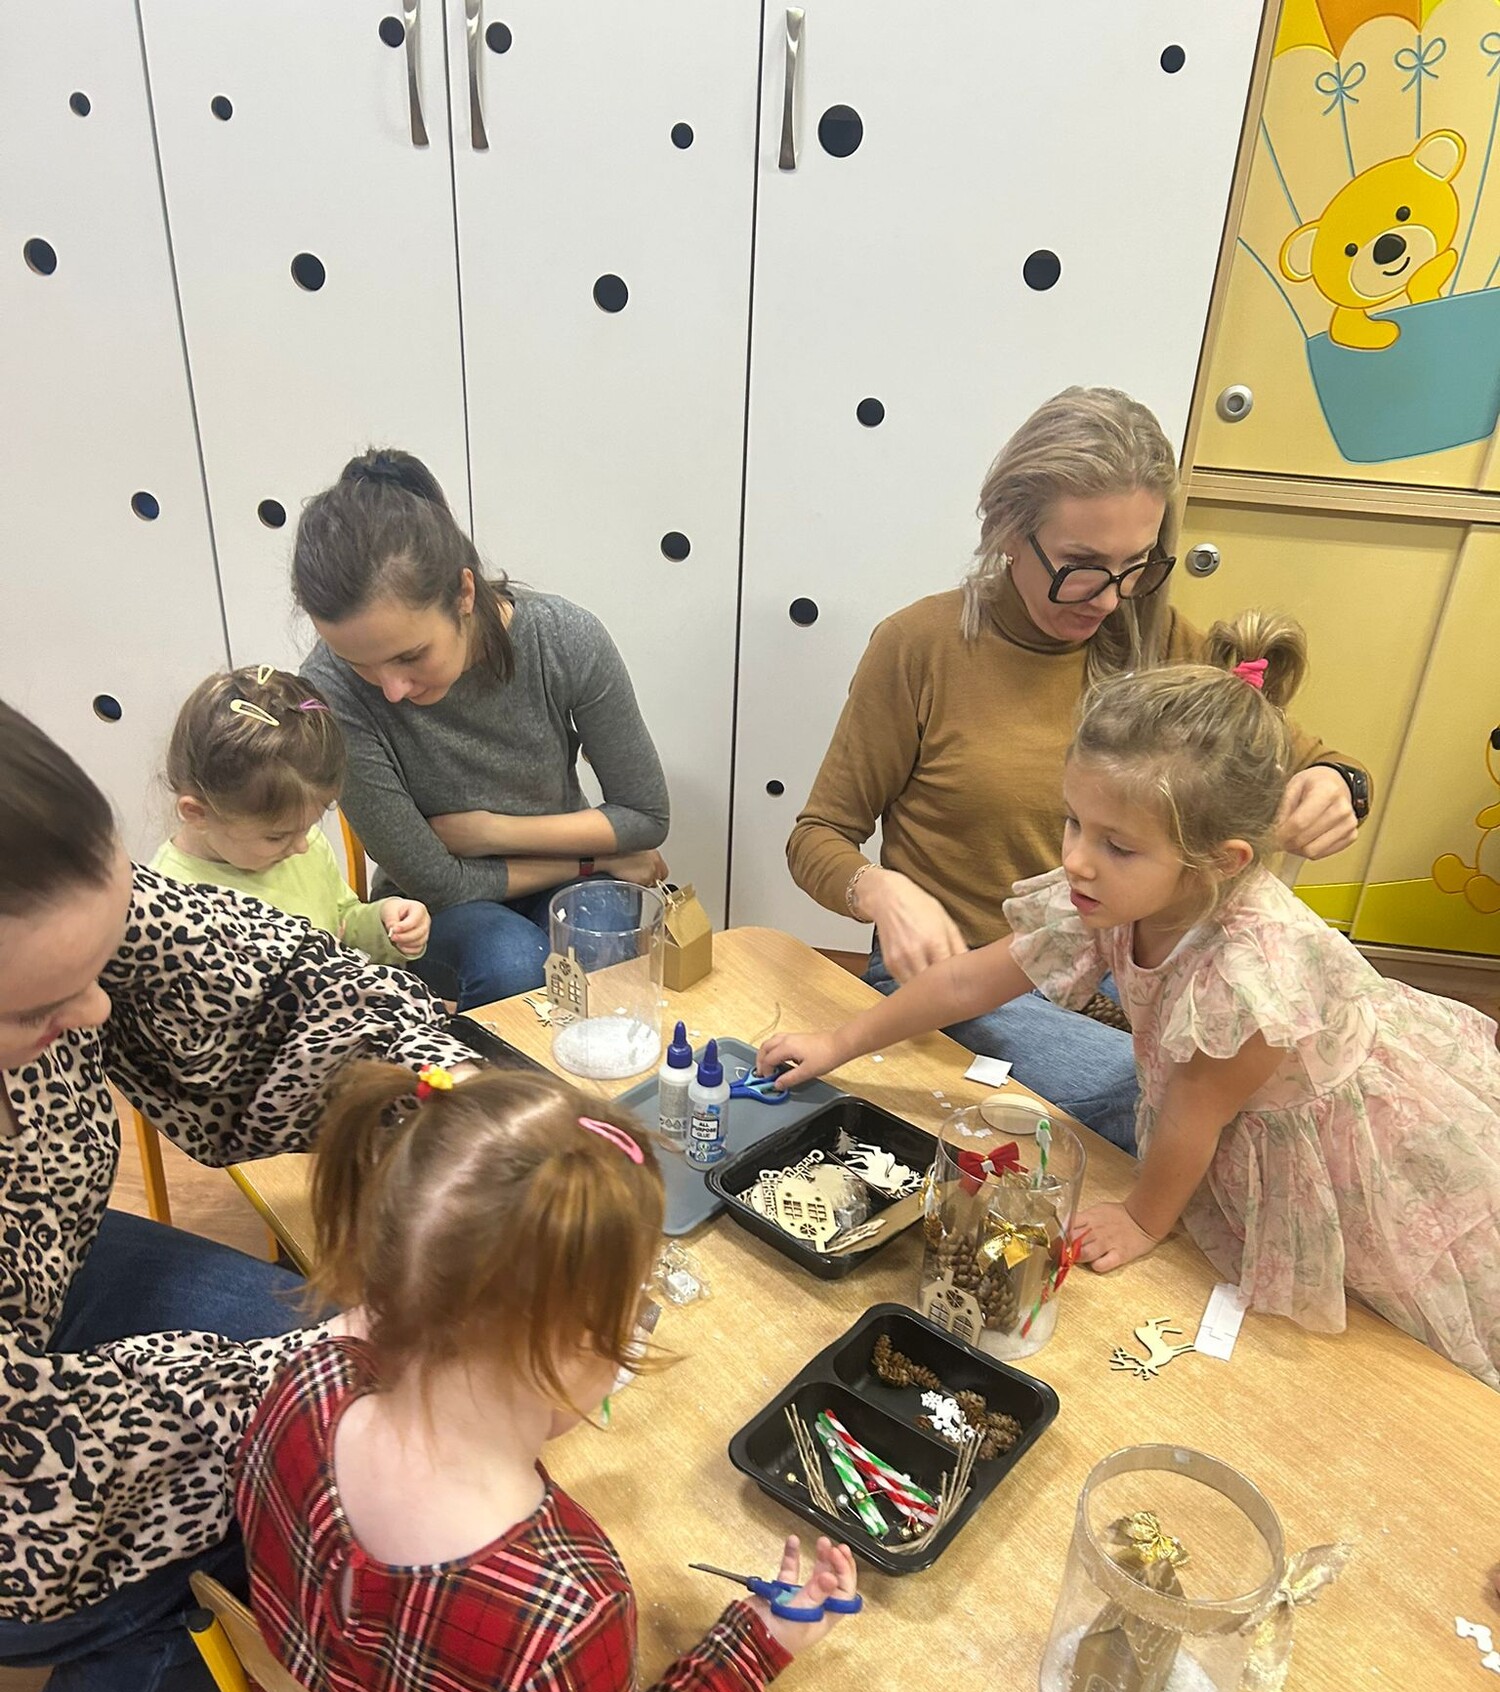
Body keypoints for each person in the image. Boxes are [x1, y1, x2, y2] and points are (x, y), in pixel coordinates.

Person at [0, 699, 476, 1692]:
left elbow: (260, 990)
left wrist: (440, 1094)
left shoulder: (50, 918)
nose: (94, 1015)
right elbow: (28, 1473)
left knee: (320, 1355)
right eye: (36, 1010)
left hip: (42, 1276)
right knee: (302, 1433)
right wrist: (300, 1385)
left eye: (97, 962)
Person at [761, 621, 1500, 1385]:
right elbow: (966, 981)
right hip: (1225, 1098)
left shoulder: (1250, 977)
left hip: (1347, 1131)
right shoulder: (1106, 891)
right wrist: (839, 1042)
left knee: (1407, 1300)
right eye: (1073, 822)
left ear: (1220, 861)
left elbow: (1191, 1115)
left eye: (1116, 844)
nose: (1076, 859)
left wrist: (1144, 1218)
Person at [236, 1065, 858, 1692]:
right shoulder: (566, 1609)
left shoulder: (303, 1380)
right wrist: (756, 1644)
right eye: (634, 1313)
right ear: (572, 1345)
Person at [787, 385, 1371, 1153]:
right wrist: (881, 890)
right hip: (969, 975)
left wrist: (1336, 784)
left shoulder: (1159, 638)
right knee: (1166, 1107)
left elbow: (1312, 756)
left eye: (1136, 567)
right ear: (1007, 530)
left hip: (1121, 968)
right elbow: (817, 836)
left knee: (1298, 1085)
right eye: (1081, 566)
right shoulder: (919, 647)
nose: (1109, 598)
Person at [295, 449, 671, 1008]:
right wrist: (599, 860)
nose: (391, 689)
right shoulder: (329, 689)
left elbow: (646, 815)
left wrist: (490, 832)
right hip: (431, 910)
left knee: (608, 945)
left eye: (410, 656)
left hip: (558, 882)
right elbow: (438, 881)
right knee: (513, 963)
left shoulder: (562, 639)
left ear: (465, 593)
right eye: (358, 664)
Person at [151, 665, 430, 963]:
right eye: (276, 836)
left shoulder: (302, 846)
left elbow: (342, 920)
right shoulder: (170, 904)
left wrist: (385, 923)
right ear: (197, 814)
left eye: (308, 827)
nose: (302, 846)